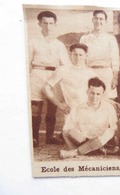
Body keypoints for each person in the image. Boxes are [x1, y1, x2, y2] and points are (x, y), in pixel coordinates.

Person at [29, 11, 71, 147]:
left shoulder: (59, 44)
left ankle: (50, 136)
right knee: (35, 109)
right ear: (39, 24)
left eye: (51, 23)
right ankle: (34, 138)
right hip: (37, 74)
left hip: (54, 77)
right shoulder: (33, 42)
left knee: (52, 109)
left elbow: (66, 65)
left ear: (55, 25)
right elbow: (27, 62)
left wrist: (57, 78)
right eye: (45, 23)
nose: (48, 26)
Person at [59, 77, 118, 159]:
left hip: (102, 141)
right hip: (83, 140)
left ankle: (75, 152)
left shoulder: (109, 107)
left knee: (109, 131)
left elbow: (114, 128)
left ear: (103, 94)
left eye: (98, 94)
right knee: (68, 130)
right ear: (87, 92)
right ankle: (88, 151)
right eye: (92, 93)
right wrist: (72, 147)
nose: (94, 97)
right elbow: (66, 131)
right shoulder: (78, 107)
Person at [80, 10, 120, 99]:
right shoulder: (85, 38)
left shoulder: (110, 38)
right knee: (90, 99)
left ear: (105, 21)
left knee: (107, 100)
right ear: (92, 20)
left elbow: (115, 59)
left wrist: (115, 78)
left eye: (101, 19)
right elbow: (81, 58)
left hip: (106, 72)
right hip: (89, 71)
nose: (98, 21)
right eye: (96, 18)